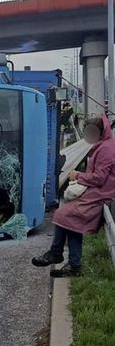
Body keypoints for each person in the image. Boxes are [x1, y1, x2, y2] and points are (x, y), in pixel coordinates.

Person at [32, 115, 115, 276]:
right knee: (70, 220)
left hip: (101, 195)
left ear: (101, 132)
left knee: (64, 215)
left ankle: (58, 255)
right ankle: (72, 264)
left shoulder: (106, 149)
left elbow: (99, 178)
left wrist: (77, 175)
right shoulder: (104, 146)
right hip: (97, 193)